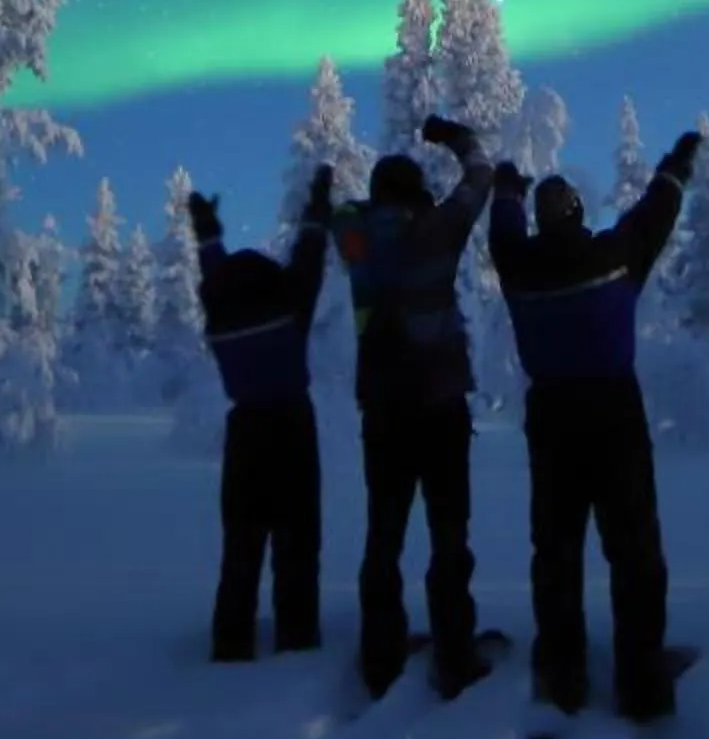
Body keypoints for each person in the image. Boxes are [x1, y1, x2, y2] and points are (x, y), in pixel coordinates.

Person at [487, 131, 703, 722]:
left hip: (550, 416)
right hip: (614, 413)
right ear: (579, 213)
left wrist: (507, 189)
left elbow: (502, 230)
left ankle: (563, 677)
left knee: (556, 548)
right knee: (634, 546)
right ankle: (642, 680)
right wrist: (677, 164)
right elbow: (657, 211)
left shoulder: (518, 267)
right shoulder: (615, 255)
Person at [334, 112, 496, 701]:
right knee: (449, 532)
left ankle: (380, 657)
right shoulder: (436, 231)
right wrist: (455, 137)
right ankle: (455, 652)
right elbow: (480, 179)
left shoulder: (355, 240)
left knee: (384, 532)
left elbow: (342, 212)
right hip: (441, 408)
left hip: (383, 411)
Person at [188, 173, 334, 663]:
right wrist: (318, 207)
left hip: (244, 431)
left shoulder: (222, 307)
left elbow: (213, 270)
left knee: (242, 545)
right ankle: (297, 640)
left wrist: (207, 233)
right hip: (292, 427)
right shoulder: (288, 305)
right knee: (298, 543)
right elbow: (309, 258)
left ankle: (231, 644)